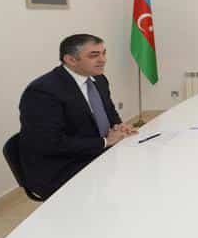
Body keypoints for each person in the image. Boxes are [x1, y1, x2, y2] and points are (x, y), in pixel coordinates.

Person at [18, 34, 138, 199]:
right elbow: (50, 143)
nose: (103, 60)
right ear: (71, 60)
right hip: (62, 166)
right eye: (94, 55)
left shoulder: (99, 79)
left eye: (104, 53)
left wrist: (119, 127)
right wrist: (105, 142)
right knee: (128, 185)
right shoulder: (42, 91)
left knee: (140, 167)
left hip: (94, 152)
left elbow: (110, 113)